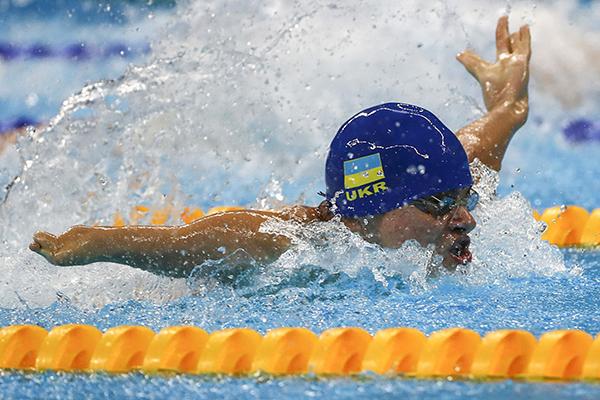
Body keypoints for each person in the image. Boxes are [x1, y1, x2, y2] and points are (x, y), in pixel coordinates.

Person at [29, 16, 531, 278]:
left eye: (463, 199)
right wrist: (102, 243)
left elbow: (480, 144)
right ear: (364, 212)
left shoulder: (451, 182)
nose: (465, 219)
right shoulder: (299, 248)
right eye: (438, 204)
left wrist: (506, 108)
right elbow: (199, 242)